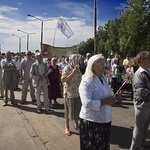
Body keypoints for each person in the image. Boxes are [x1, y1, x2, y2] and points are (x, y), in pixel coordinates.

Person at [79, 54, 116, 150]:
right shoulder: (86, 81)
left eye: (104, 63)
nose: (104, 66)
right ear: (92, 67)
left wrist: (113, 98)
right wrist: (104, 102)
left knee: (104, 146)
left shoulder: (102, 78)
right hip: (92, 122)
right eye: (100, 64)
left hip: (105, 120)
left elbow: (107, 95)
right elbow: (87, 103)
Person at [130, 51, 150, 150]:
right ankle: (134, 147)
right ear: (141, 61)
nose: (149, 59)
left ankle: (141, 142)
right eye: (148, 58)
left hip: (148, 103)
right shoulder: (138, 74)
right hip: (141, 105)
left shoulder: (148, 70)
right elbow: (140, 91)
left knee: (145, 126)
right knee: (138, 127)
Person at [61, 54, 82, 136]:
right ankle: (67, 127)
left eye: (77, 60)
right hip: (69, 93)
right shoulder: (66, 68)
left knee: (77, 109)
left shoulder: (77, 68)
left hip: (77, 92)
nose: (77, 61)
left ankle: (76, 124)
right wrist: (72, 74)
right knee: (68, 110)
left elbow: (80, 78)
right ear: (70, 61)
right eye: (75, 60)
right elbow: (62, 80)